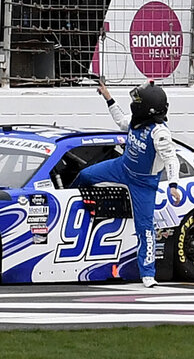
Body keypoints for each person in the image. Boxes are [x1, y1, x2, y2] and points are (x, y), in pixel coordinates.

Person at [72, 79, 181, 288]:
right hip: (121, 167)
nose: (135, 102)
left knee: (145, 228)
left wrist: (173, 185)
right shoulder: (136, 119)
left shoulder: (160, 133)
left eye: (138, 100)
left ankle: (148, 274)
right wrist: (108, 97)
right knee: (86, 175)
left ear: (147, 108)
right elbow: (121, 120)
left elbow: (171, 159)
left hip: (144, 183)